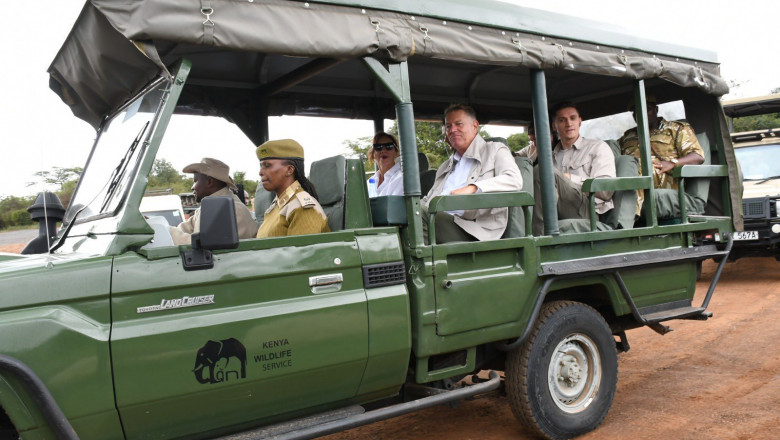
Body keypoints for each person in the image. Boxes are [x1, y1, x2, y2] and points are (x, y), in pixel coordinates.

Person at [421, 104, 523, 243]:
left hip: (473, 230)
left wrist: (473, 187)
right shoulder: (445, 166)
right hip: (438, 219)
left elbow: (514, 179)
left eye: (459, 124)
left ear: (475, 126)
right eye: (448, 126)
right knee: (408, 212)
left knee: (419, 214)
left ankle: (422, 263)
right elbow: (427, 200)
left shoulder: (495, 150)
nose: (452, 130)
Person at [532, 102, 616, 235]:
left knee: (543, 171)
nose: (569, 124)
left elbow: (605, 190)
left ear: (580, 121)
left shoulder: (598, 147)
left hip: (588, 210)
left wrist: (570, 179)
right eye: (562, 120)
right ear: (554, 126)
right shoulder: (551, 155)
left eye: (573, 118)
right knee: (533, 171)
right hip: (559, 210)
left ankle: (539, 236)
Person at [619, 95, 705, 190]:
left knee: (638, 173)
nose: (641, 114)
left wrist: (672, 163)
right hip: (630, 173)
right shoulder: (628, 135)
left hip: (663, 176)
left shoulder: (676, 129)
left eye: (647, 109)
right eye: (636, 111)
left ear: (656, 109)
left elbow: (697, 157)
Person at [170, 158, 258, 245]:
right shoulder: (209, 206)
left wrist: (171, 233)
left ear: (209, 182)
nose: (192, 187)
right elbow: (187, 227)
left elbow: (206, 246)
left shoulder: (233, 210)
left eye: (195, 181)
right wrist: (168, 231)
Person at [255, 139, 330, 237]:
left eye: (267, 165)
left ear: (289, 170)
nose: (260, 172)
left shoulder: (302, 208)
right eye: (261, 166)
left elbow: (302, 252)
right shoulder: (278, 204)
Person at [367, 131, 404, 196]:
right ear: (373, 154)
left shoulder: (402, 179)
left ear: (396, 152)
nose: (383, 150)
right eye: (378, 147)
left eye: (389, 146)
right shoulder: (369, 182)